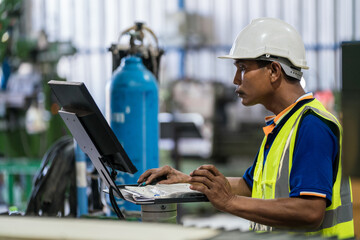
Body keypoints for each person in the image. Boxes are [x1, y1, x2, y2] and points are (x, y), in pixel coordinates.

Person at [138, 18, 354, 239]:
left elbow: (309, 212)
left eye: (242, 68)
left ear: (274, 70)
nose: (235, 80)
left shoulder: (312, 125)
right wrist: (188, 180)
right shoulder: (284, 124)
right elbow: (249, 185)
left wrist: (230, 203)